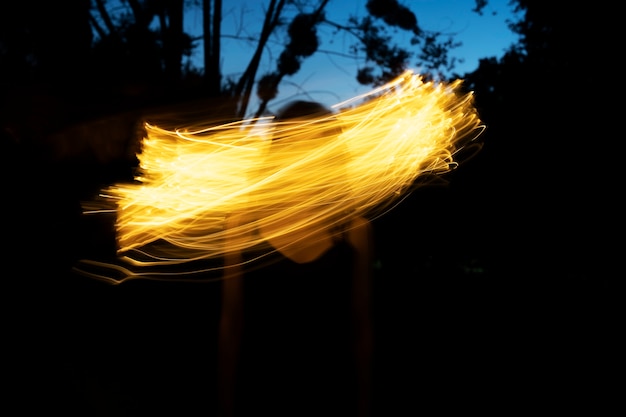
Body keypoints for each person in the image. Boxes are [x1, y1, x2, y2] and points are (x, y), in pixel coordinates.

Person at [217, 100, 374, 417]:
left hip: (331, 395)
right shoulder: (244, 225)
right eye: (292, 146)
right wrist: (224, 403)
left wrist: (365, 403)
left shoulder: (352, 229)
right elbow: (232, 321)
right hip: (259, 395)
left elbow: (361, 325)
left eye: (314, 148)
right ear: (276, 154)